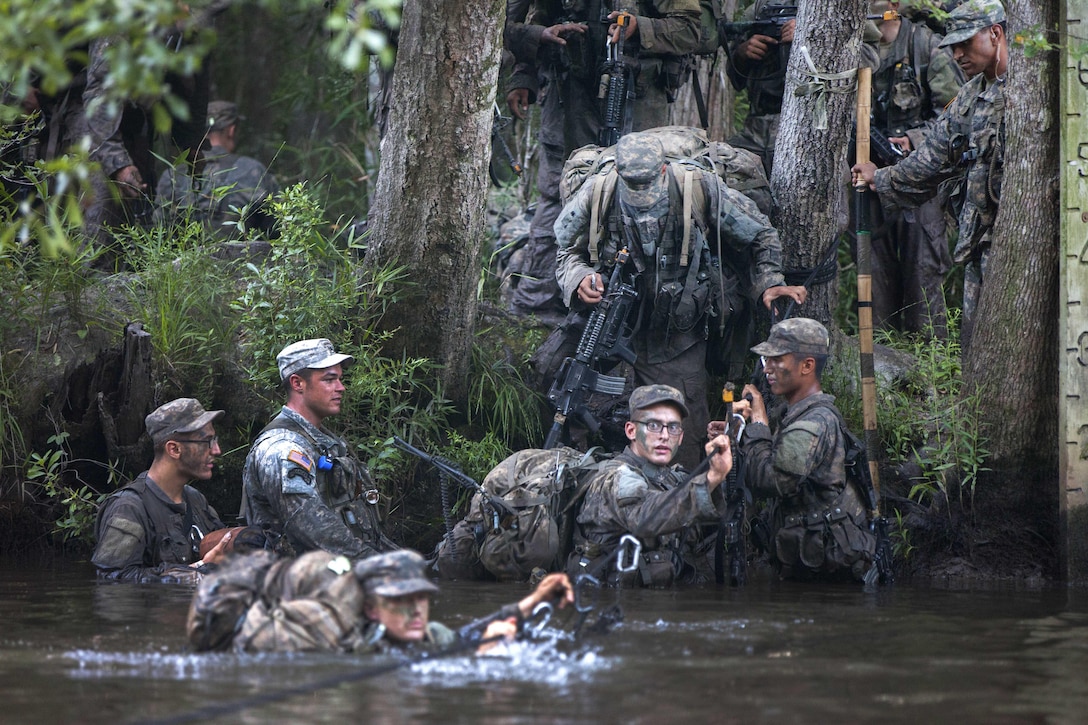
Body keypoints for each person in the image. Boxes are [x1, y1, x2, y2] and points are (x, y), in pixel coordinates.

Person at [554, 131, 806, 467]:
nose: (641, 195)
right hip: (608, 316)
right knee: (555, 377)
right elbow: (566, 249)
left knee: (682, 435)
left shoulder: (696, 188)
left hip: (673, 329)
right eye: (632, 184)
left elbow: (759, 233)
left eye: (647, 183)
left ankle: (676, 503)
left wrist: (769, 281)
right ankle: (574, 475)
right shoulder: (599, 191)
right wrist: (579, 278)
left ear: (662, 170)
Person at [502, 0, 703, 322]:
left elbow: (694, 31)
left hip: (636, 101)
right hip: (569, 96)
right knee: (556, 195)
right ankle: (537, 312)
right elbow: (527, 22)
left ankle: (631, 312)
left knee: (639, 198)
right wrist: (524, 73)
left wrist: (641, 28)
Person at [852, 0, 1007, 348]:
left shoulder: (1025, 91)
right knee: (977, 343)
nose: (958, 54)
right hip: (982, 240)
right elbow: (933, 159)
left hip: (1016, 240)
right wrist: (880, 177)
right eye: (953, 46)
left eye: (966, 43)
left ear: (995, 33)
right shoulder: (971, 96)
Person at [188, 548, 575, 654]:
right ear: (372, 608)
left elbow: (457, 639)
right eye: (402, 602)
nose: (416, 612)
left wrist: (530, 604)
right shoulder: (323, 632)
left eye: (422, 599)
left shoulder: (415, 629)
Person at [729, 318, 876, 582]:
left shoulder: (813, 423)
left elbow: (770, 481)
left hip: (828, 571)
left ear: (807, 365)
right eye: (767, 361)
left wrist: (759, 424)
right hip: (806, 560)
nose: (768, 369)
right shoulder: (794, 414)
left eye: (778, 360)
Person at [863, 0, 965, 338]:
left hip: (922, 181)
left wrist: (913, 138)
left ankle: (929, 370)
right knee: (875, 278)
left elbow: (957, 116)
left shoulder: (924, 46)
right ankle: (882, 362)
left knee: (922, 274)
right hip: (869, 180)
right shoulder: (853, 51)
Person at [242, 338, 397, 559]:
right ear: (297, 384)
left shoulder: (324, 441)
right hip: (296, 583)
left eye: (340, 379)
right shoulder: (282, 449)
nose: (341, 388)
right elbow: (312, 526)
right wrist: (377, 565)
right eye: (329, 380)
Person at [568, 384, 734, 587]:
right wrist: (711, 478)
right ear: (631, 431)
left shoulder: (672, 478)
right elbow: (647, 515)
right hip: (611, 605)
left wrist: (734, 436)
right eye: (653, 425)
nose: (664, 435)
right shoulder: (614, 478)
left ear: (680, 437)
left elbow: (714, 517)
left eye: (673, 427)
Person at [92, 398, 231, 583]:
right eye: (206, 441)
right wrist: (193, 573)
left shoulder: (196, 500)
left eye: (214, 439)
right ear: (174, 449)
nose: (216, 450)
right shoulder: (128, 508)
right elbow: (111, 579)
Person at [155, 100, 279, 238]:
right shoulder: (252, 170)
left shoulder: (172, 174)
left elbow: (158, 227)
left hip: (179, 258)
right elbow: (275, 228)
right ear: (231, 130)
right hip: (241, 257)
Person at [724, 0, 796, 176]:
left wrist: (813, 39)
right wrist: (743, 52)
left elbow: (869, 58)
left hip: (808, 128)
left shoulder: (834, 7)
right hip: (756, 129)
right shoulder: (760, 8)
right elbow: (735, 78)